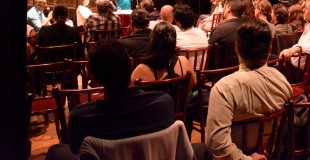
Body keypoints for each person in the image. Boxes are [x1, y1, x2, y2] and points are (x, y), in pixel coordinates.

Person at [45, 38, 176, 160]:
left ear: (95, 79)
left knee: (55, 151)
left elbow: (76, 150)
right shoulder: (163, 103)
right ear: (130, 63)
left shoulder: (80, 117)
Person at [206, 19, 292, 160]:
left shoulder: (224, 89)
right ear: (270, 49)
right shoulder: (282, 81)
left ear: (236, 48)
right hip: (271, 152)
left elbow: (217, 144)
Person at [131, 21, 196, 91]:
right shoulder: (183, 61)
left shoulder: (141, 69)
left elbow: (130, 94)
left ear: (152, 41)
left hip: (154, 102)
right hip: (180, 102)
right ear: (174, 41)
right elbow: (193, 84)